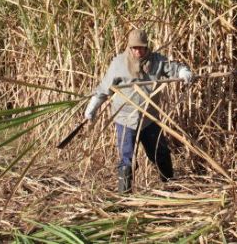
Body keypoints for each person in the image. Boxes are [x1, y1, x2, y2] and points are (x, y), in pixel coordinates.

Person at [83, 29, 193, 193]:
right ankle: (125, 196)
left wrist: (183, 72)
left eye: (141, 48)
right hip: (126, 119)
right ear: (129, 47)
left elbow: (173, 68)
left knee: (160, 153)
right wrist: (92, 108)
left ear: (146, 47)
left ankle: (171, 188)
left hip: (149, 119)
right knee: (127, 159)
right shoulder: (119, 63)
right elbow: (104, 89)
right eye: (134, 48)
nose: (138, 51)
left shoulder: (156, 61)